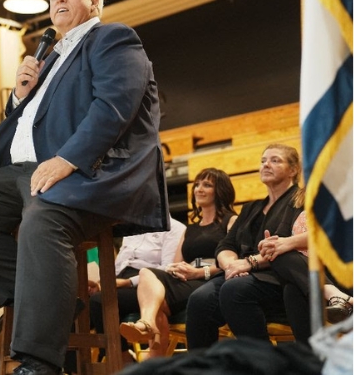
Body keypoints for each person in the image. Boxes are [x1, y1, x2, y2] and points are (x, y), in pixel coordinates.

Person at [0, 0, 169, 375]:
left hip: (86, 172)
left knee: (42, 220)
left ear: (94, 3)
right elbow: (27, 124)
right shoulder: (50, 59)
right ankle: (52, 298)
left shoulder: (111, 38)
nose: (57, 0)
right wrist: (19, 98)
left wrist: (69, 158)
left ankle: (40, 363)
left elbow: (115, 105)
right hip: (24, 172)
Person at [185, 143, 304, 350]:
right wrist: (232, 264)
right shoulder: (252, 208)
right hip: (240, 272)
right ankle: (202, 369)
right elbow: (226, 244)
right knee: (199, 299)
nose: (266, 165)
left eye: (275, 160)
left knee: (235, 290)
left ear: (293, 170)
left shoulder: (299, 201)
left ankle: (263, 364)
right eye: (263, 161)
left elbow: (290, 248)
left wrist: (248, 264)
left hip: (277, 275)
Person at [120, 168, 237, 358]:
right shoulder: (190, 229)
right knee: (146, 273)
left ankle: (153, 361)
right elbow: (175, 263)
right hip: (186, 279)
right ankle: (147, 323)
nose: (199, 189)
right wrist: (176, 269)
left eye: (206, 185)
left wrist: (199, 272)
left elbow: (234, 263)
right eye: (197, 184)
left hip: (211, 280)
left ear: (220, 191)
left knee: (156, 301)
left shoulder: (231, 221)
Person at [87, 216, 186, 357]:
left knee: (100, 301)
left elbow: (167, 269)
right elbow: (120, 264)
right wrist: (101, 283)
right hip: (119, 280)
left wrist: (128, 282)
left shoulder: (175, 228)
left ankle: (121, 358)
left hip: (147, 284)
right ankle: (70, 368)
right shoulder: (130, 226)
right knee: (75, 306)